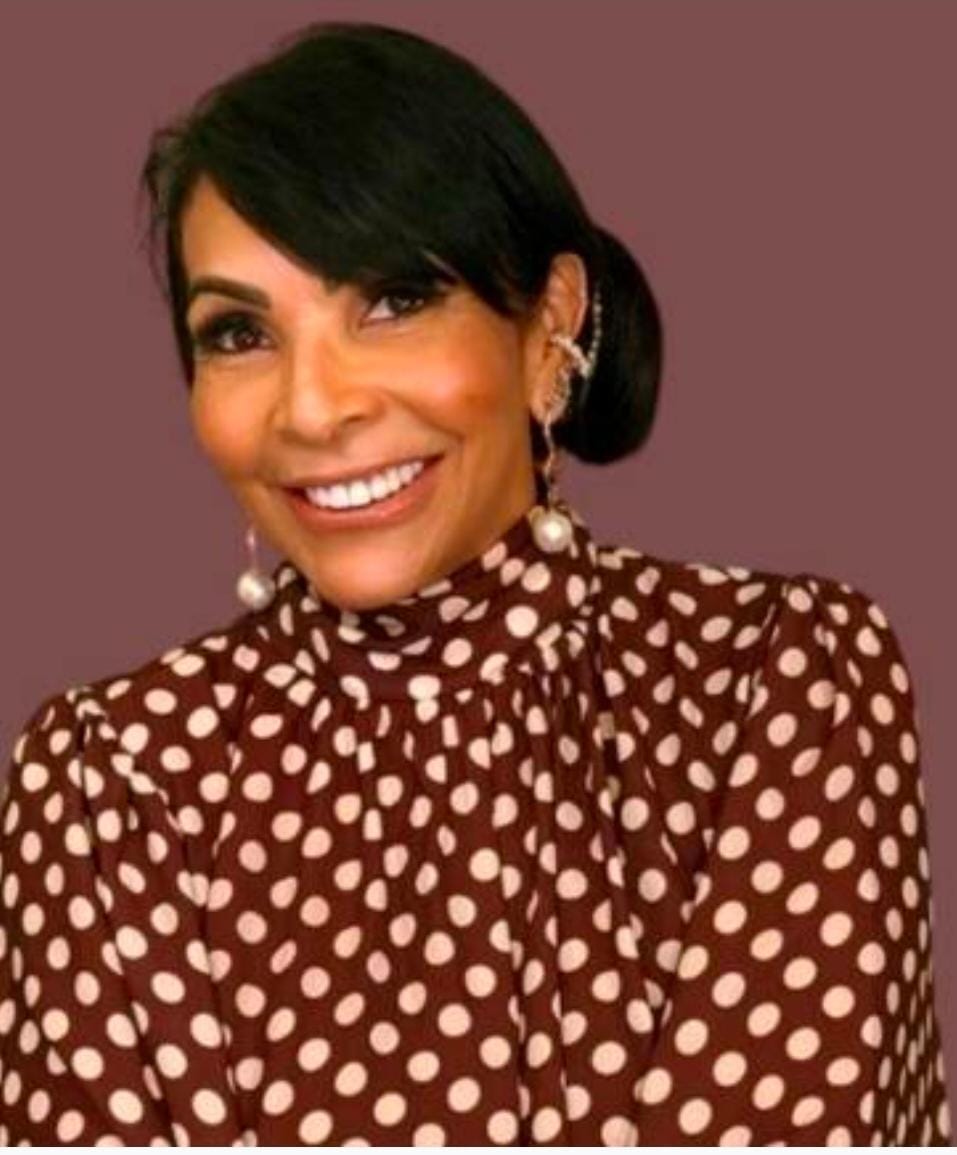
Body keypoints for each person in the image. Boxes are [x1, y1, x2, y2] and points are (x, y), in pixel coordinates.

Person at [0, 18, 950, 1147]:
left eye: (394, 300)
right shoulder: (109, 779)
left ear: (549, 326)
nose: (313, 408)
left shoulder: (781, 681)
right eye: (241, 333)